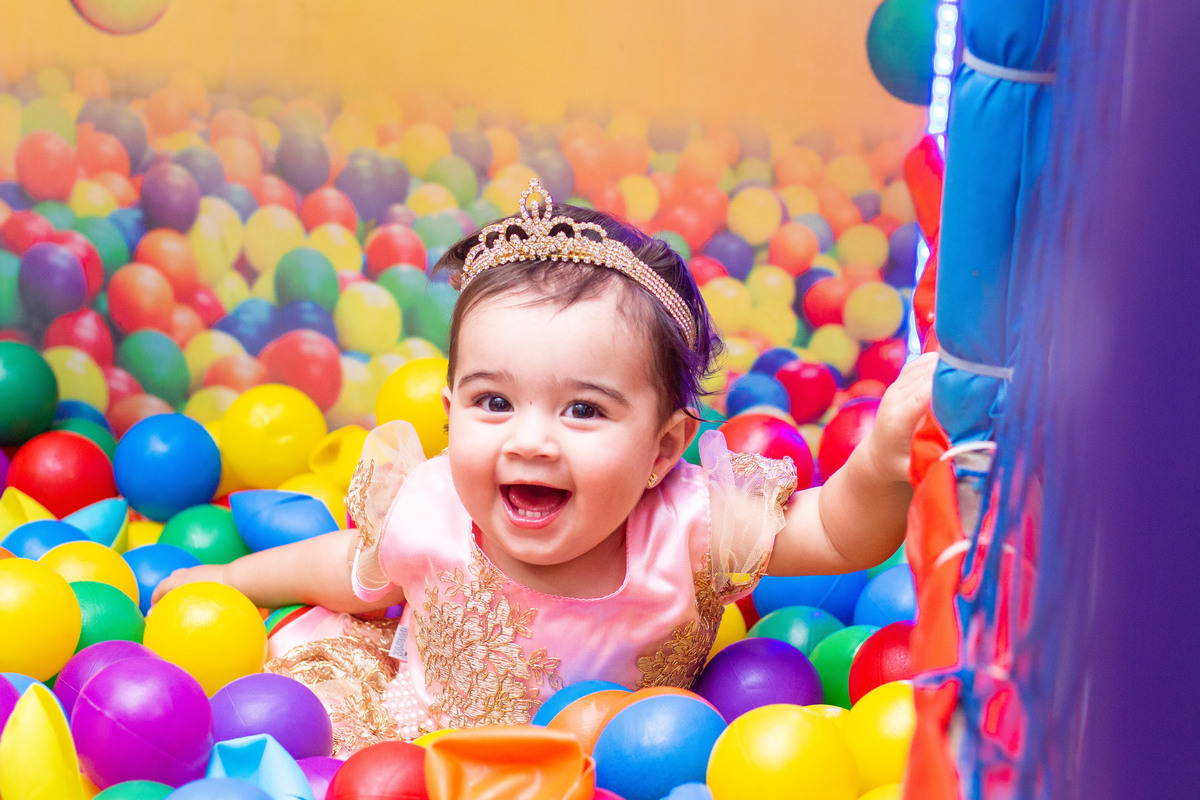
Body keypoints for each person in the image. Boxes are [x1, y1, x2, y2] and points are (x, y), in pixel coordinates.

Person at [153, 178, 936, 753]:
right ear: (450, 410)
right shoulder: (433, 510)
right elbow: (342, 570)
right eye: (493, 402)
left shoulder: (694, 527)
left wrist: (882, 459)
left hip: (620, 767)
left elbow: (838, 537)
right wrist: (225, 582)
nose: (531, 441)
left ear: (663, 450)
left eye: (584, 410)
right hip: (417, 751)